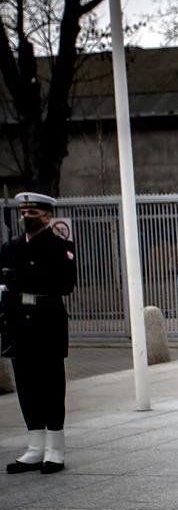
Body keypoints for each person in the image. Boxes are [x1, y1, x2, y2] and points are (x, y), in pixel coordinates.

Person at [3, 192, 77, 475]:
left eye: (32, 213)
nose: (25, 218)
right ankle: (35, 446)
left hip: (47, 327)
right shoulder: (10, 248)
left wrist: (19, 279)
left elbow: (63, 284)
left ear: (47, 216)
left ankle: (55, 448)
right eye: (22, 213)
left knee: (51, 388)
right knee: (27, 388)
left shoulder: (61, 247)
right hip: (19, 327)